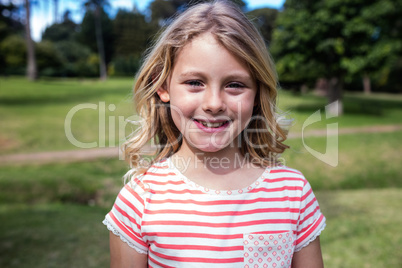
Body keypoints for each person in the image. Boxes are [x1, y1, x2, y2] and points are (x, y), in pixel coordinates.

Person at [103, 1, 325, 267]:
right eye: (195, 83)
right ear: (162, 86)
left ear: (257, 93)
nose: (214, 103)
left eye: (234, 85)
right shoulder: (140, 199)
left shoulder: (292, 192)